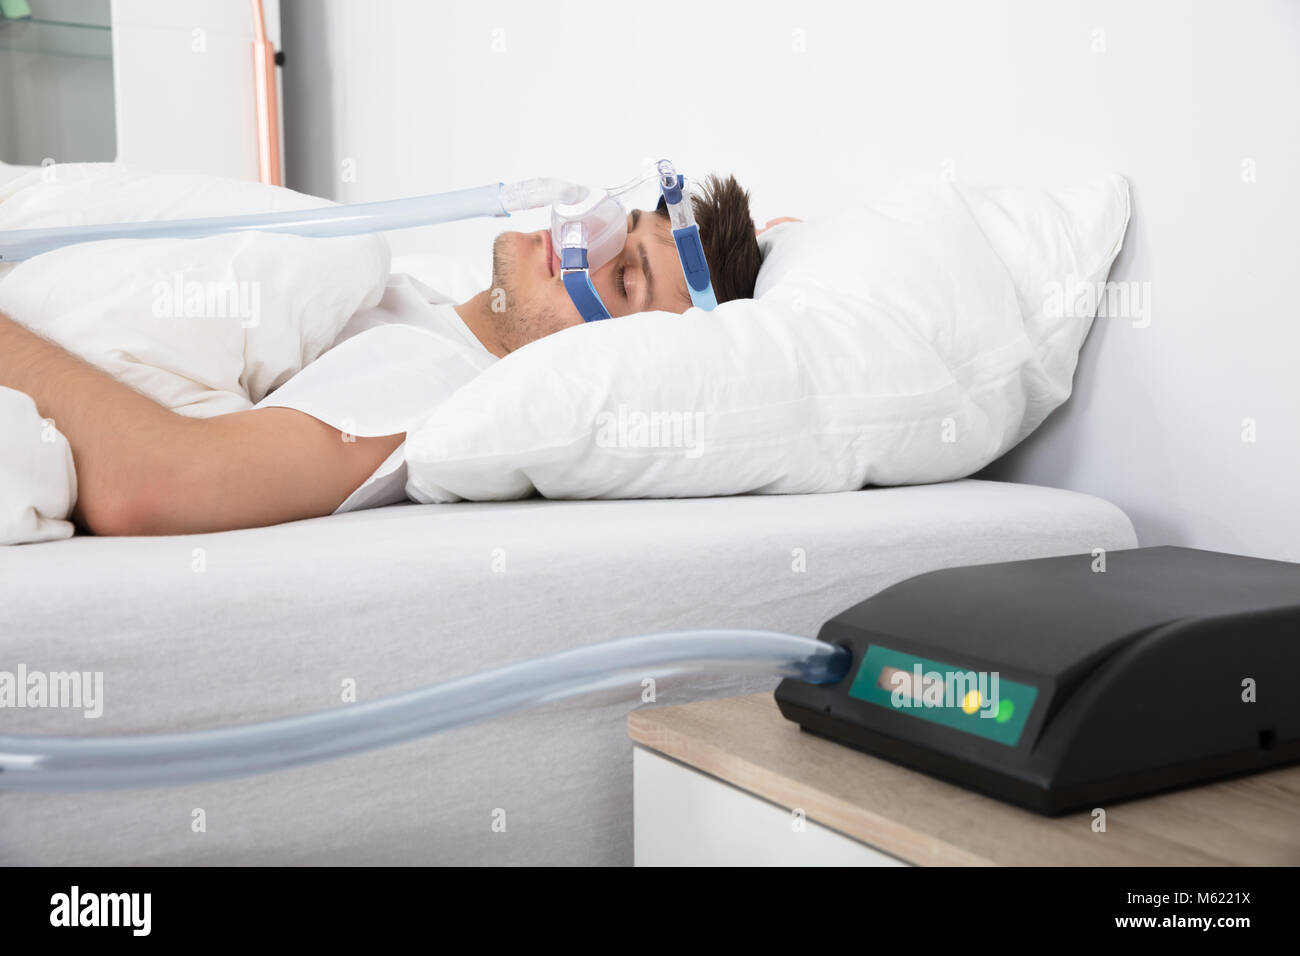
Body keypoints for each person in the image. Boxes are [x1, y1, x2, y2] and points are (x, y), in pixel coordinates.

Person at [0, 174, 764, 536]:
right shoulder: (425, 302)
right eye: (615, 224)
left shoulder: (431, 381)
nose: (582, 241)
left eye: (625, 277)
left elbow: (160, 483)